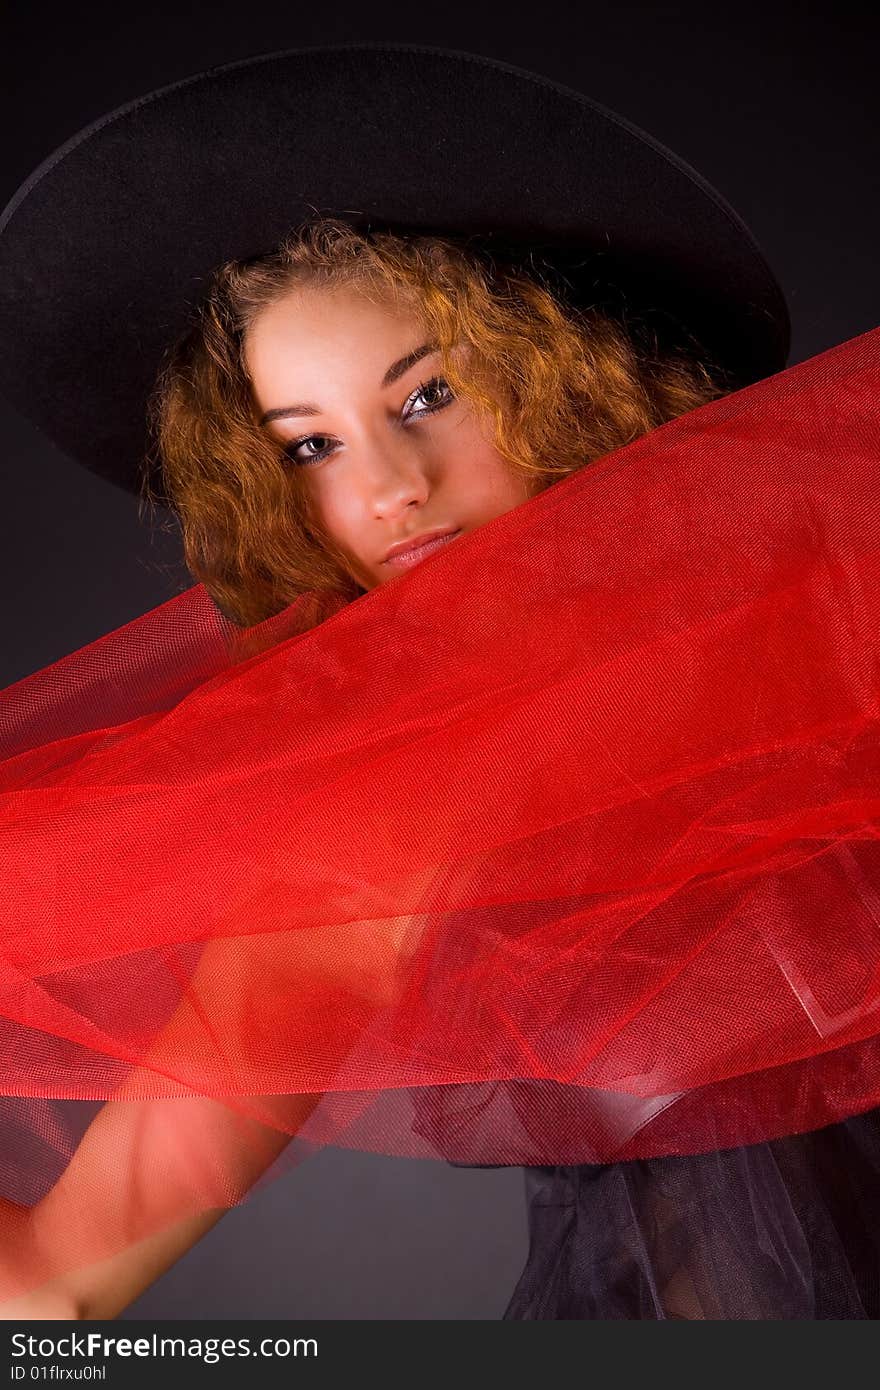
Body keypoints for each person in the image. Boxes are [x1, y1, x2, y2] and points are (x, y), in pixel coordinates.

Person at [0, 46, 878, 1321]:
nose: (386, 486)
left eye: (429, 392)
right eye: (308, 443)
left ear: (562, 369)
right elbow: (52, 1290)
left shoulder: (834, 584)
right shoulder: (372, 831)